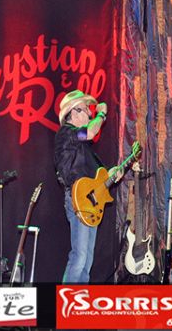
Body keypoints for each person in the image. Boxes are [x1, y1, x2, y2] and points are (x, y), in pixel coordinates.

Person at [54, 89, 119, 283]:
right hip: (78, 198)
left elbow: (97, 176)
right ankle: (67, 297)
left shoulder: (84, 148)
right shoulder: (66, 133)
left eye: (91, 111)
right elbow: (90, 132)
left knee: (87, 258)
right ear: (73, 112)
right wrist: (102, 114)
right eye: (85, 109)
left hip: (90, 200)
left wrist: (113, 173)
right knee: (80, 255)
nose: (90, 113)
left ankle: (80, 295)